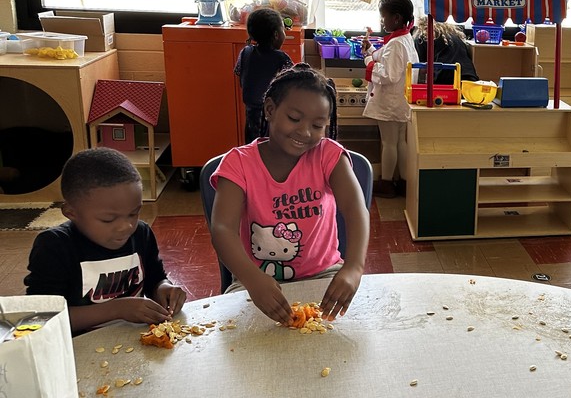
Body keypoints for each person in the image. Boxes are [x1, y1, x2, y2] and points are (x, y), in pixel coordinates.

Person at [210, 63, 369, 325]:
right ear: (270, 109)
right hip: (257, 282)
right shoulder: (238, 163)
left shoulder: (328, 155)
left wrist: (354, 268)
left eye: (318, 125)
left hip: (324, 275)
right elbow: (222, 228)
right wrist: (251, 278)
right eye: (294, 119)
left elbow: (355, 209)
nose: (305, 132)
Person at [24, 148, 186, 334]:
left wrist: (164, 289)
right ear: (71, 213)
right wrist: (116, 310)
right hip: (78, 350)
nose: (126, 226)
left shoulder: (141, 233)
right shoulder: (54, 246)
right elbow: (41, 318)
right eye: (108, 219)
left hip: (134, 342)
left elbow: (154, 279)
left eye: (134, 213)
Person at [362, 0, 418, 198]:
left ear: (396, 18)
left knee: (388, 143)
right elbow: (385, 56)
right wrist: (371, 51)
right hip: (401, 101)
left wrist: (368, 62)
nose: (381, 20)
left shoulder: (396, 43)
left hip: (390, 101)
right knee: (400, 142)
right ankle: (402, 182)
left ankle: (386, 183)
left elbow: (388, 74)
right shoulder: (404, 38)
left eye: (383, 16)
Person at [235, 7, 293, 143]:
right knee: (272, 149)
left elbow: (241, 77)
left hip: (251, 115)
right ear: (276, 35)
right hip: (273, 115)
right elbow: (292, 85)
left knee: (252, 148)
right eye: (283, 29)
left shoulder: (246, 52)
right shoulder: (281, 58)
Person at [413, 18, 479, 86]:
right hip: (469, 77)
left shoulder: (422, 37)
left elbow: (421, 67)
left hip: (445, 80)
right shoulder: (455, 36)